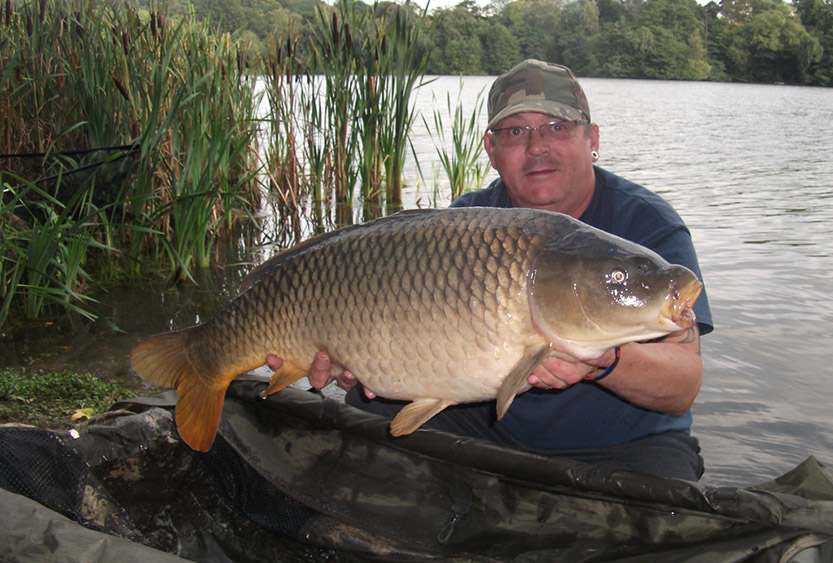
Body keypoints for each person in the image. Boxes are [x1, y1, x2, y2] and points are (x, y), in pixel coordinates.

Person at [267, 59, 713, 481]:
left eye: (557, 127)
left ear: (592, 139)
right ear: (491, 150)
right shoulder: (464, 225)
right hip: (484, 425)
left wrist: (604, 362)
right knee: (364, 414)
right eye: (515, 131)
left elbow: (682, 386)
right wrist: (362, 360)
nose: (537, 147)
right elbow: (398, 329)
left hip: (625, 445)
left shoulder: (648, 227)